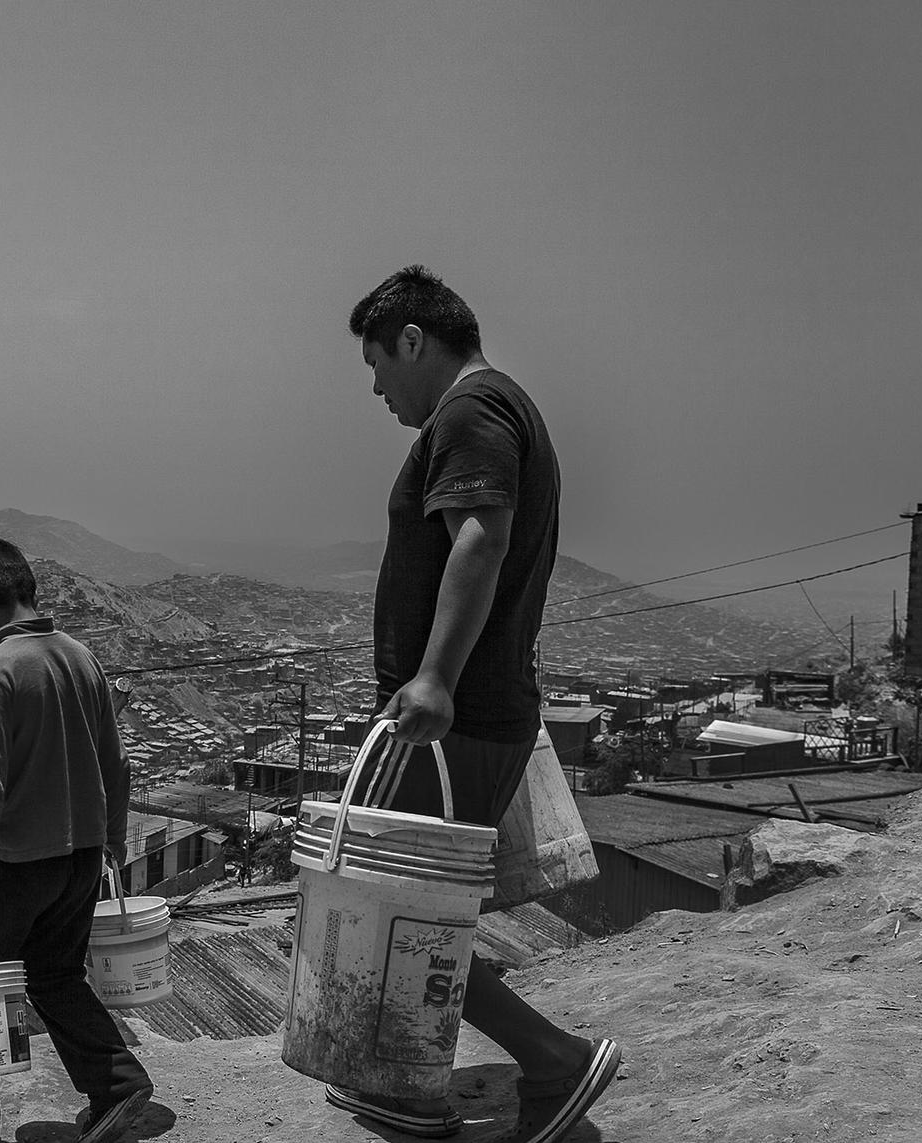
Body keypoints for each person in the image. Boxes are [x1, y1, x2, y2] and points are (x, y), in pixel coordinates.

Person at [329, 266, 621, 1143]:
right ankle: (409, 1085)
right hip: (471, 715)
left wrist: (434, 680)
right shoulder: (497, 409)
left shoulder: (470, 412)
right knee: (411, 907)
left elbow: (482, 538)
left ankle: (555, 1057)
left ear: (413, 340)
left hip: (458, 719)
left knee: (400, 906)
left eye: (379, 363)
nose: (377, 388)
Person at [0, 535, 155, 1143]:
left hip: (14, 866)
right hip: (79, 860)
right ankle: (118, 1087)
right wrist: (114, 841)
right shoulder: (80, 656)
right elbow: (117, 762)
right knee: (55, 976)